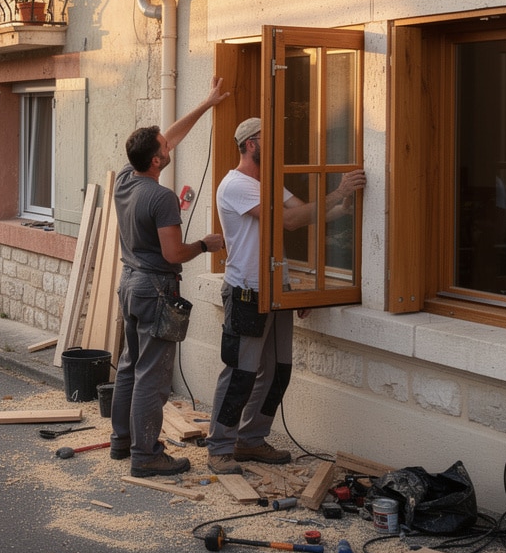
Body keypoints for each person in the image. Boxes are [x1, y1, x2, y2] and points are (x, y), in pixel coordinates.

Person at [205, 117, 366, 474]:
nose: (276, 146)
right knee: (240, 374)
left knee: (279, 371)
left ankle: (251, 440)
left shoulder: (270, 184)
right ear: (250, 144)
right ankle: (219, 446)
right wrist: (337, 194)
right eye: (268, 140)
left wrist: (341, 209)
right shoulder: (236, 186)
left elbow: (300, 212)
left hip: (277, 290)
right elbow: (289, 223)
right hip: (247, 291)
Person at [109, 78, 228, 478]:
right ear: (157, 161)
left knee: (129, 365)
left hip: (129, 285)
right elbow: (174, 253)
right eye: (164, 149)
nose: (168, 147)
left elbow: (169, 137)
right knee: (152, 377)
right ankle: (146, 456)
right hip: (156, 289)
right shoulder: (160, 198)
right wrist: (206, 245)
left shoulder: (127, 179)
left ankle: (121, 442)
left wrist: (207, 103)